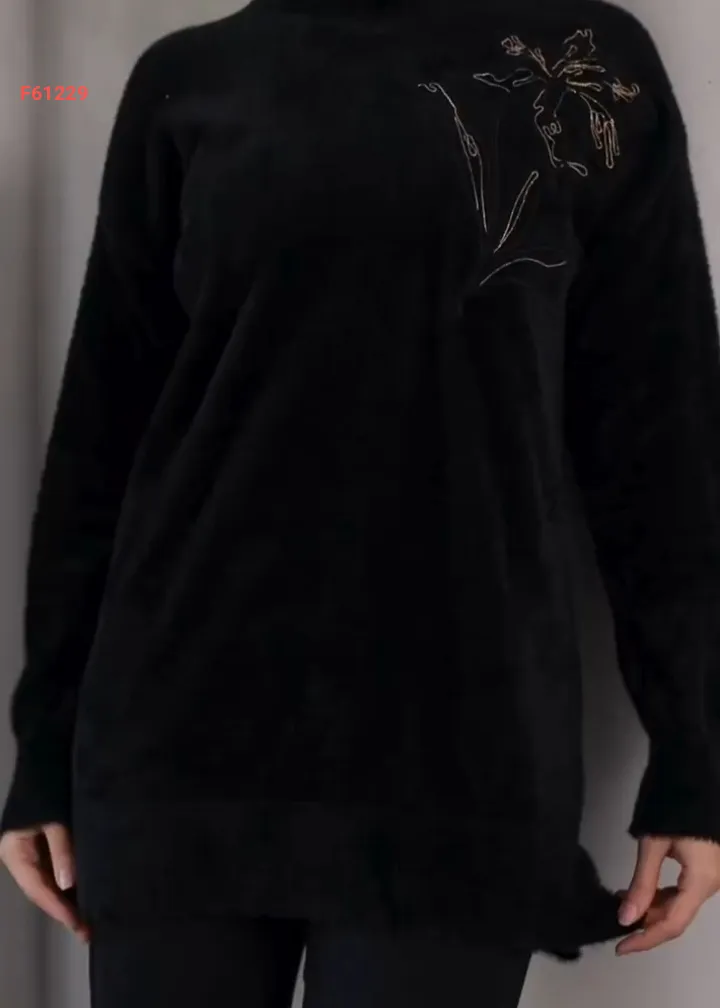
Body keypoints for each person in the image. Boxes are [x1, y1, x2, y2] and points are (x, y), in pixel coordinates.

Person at [2, 0, 720, 1004]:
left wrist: (697, 752)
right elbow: (101, 440)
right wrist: (43, 745)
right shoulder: (191, 79)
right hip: (179, 741)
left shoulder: (588, 59)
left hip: (459, 752)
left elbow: (662, 444)